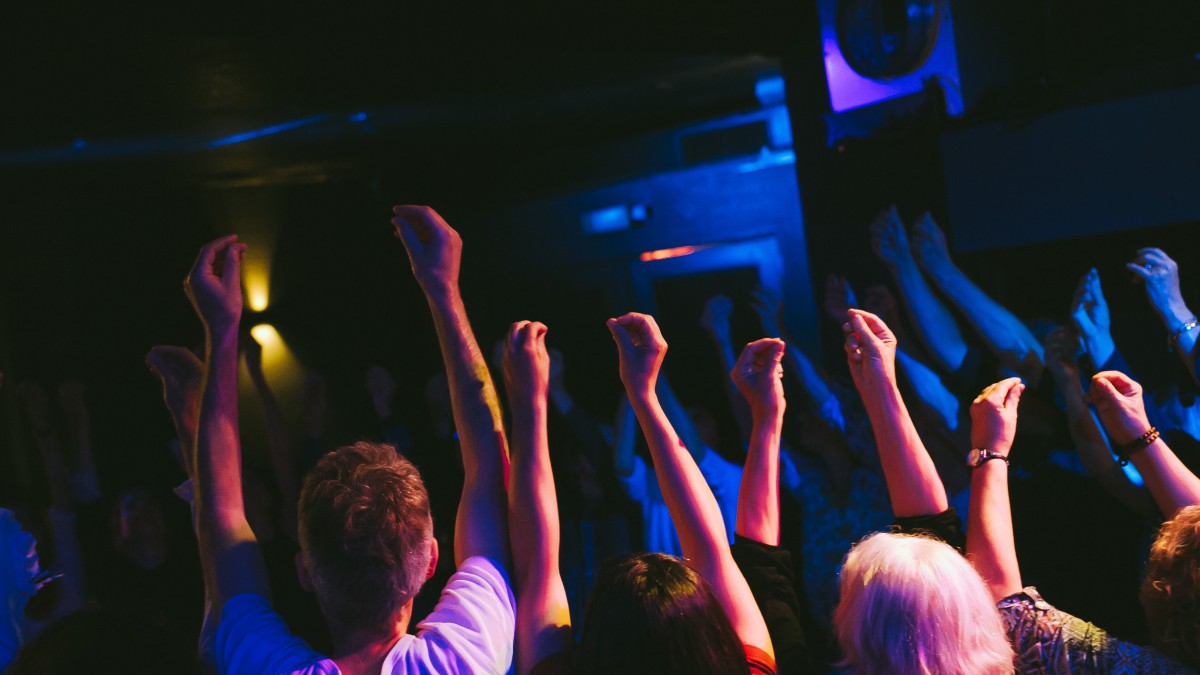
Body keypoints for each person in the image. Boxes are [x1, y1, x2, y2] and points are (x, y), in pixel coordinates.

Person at [190, 205, 515, 675]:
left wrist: (220, 333)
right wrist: (445, 291)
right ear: (430, 563)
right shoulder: (466, 658)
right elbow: (489, 472)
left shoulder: (263, 666)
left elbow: (220, 516)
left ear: (305, 572)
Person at [834, 308, 1014, 675]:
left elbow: (927, 527)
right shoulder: (1021, 648)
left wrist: (879, 381)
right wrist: (991, 454)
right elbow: (1002, 599)